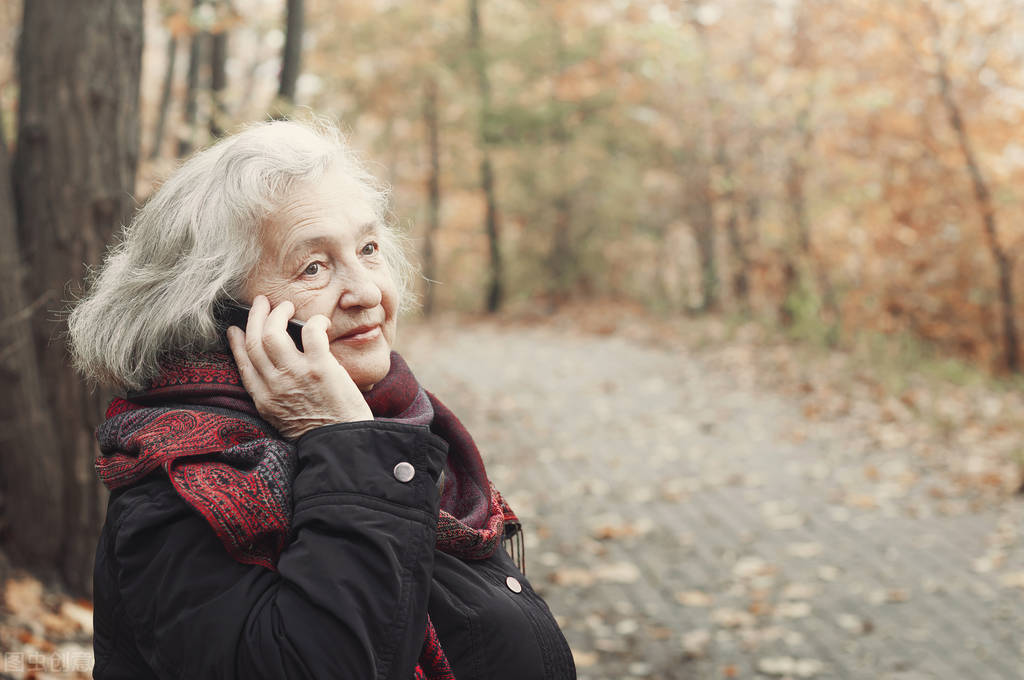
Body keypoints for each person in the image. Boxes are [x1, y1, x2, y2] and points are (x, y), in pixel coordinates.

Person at [68, 119, 576, 680]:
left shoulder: (393, 425)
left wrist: (350, 438)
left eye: (369, 248)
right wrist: (345, 441)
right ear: (216, 313)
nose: (366, 291)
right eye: (314, 267)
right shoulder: (183, 490)